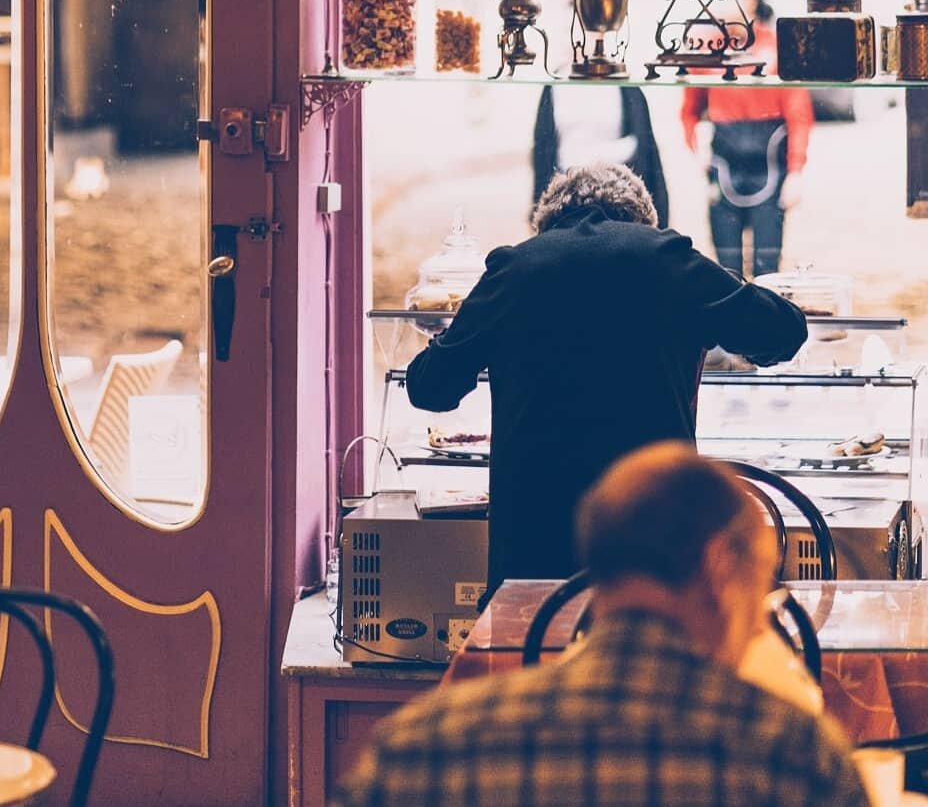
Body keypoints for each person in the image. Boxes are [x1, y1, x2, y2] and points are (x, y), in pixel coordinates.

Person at [334, 445, 869, 807]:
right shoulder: (794, 757)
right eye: (760, 583)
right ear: (719, 568)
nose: (758, 618)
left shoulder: (420, 749)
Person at [406, 162, 806, 598]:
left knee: (531, 649)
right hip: (655, 539)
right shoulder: (668, 260)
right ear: (641, 220)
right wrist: (714, 289)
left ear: (549, 221)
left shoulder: (513, 269)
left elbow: (430, 387)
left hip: (533, 557)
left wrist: (469, 329)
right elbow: (784, 332)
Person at [681, 0, 814, 279]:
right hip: (725, 161)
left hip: (769, 161)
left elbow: (799, 114)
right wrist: (696, 147)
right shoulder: (707, 50)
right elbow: (689, 109)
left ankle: (765, 321)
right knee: (724, 269)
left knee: (768, 267)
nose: (726, 2)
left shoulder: (777, 47)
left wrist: (796, 172)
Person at [533, 84, 669, 225]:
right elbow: (543, 157)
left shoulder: (628, 88)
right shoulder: (555, 87)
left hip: (618, 206)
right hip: (567, 206)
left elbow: (646, 154)